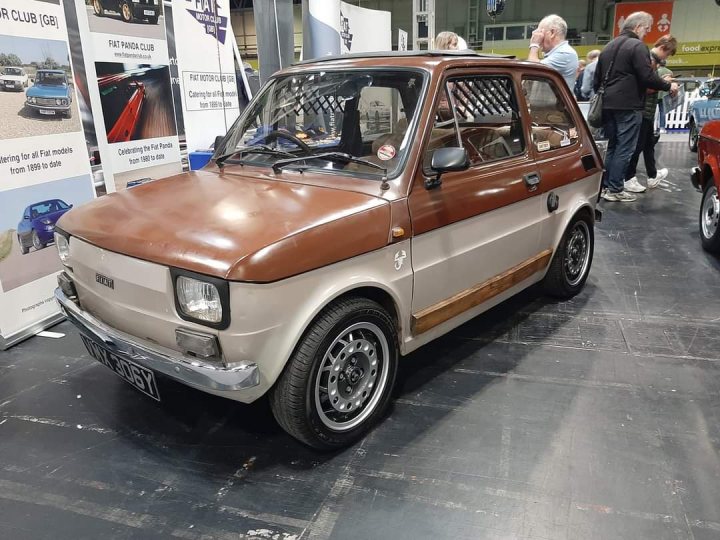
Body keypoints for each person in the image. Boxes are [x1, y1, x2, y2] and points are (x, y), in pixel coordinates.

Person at [593, 11, 678, 202]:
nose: (646, 33)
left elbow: (596, 80)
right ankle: (615, 189)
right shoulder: (637, 46)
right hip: (629, 105)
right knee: (625, 148)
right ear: (638, 27)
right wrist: (668, 85)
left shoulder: (608, 46)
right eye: (646, 29)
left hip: (607, 104)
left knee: (612, 146)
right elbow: (647, 77)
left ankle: (606, 186)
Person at [623, 35, 677, 193]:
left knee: (647, 145)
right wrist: (663, 84)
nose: (666, 57)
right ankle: (628, 178)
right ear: (663, 48)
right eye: (667, 54)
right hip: (642, 110)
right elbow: (643, 87)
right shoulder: (649, 60)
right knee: (638, 146)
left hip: (646, 111)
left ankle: (652, 176)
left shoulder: (650, 60)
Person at [527, 14, 579, 90]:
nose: (537, 36)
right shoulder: (557, 53)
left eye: (540, 32)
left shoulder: (565, 53)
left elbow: (531, 70)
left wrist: (534, 45)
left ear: (552, 33)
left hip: (556, 102)